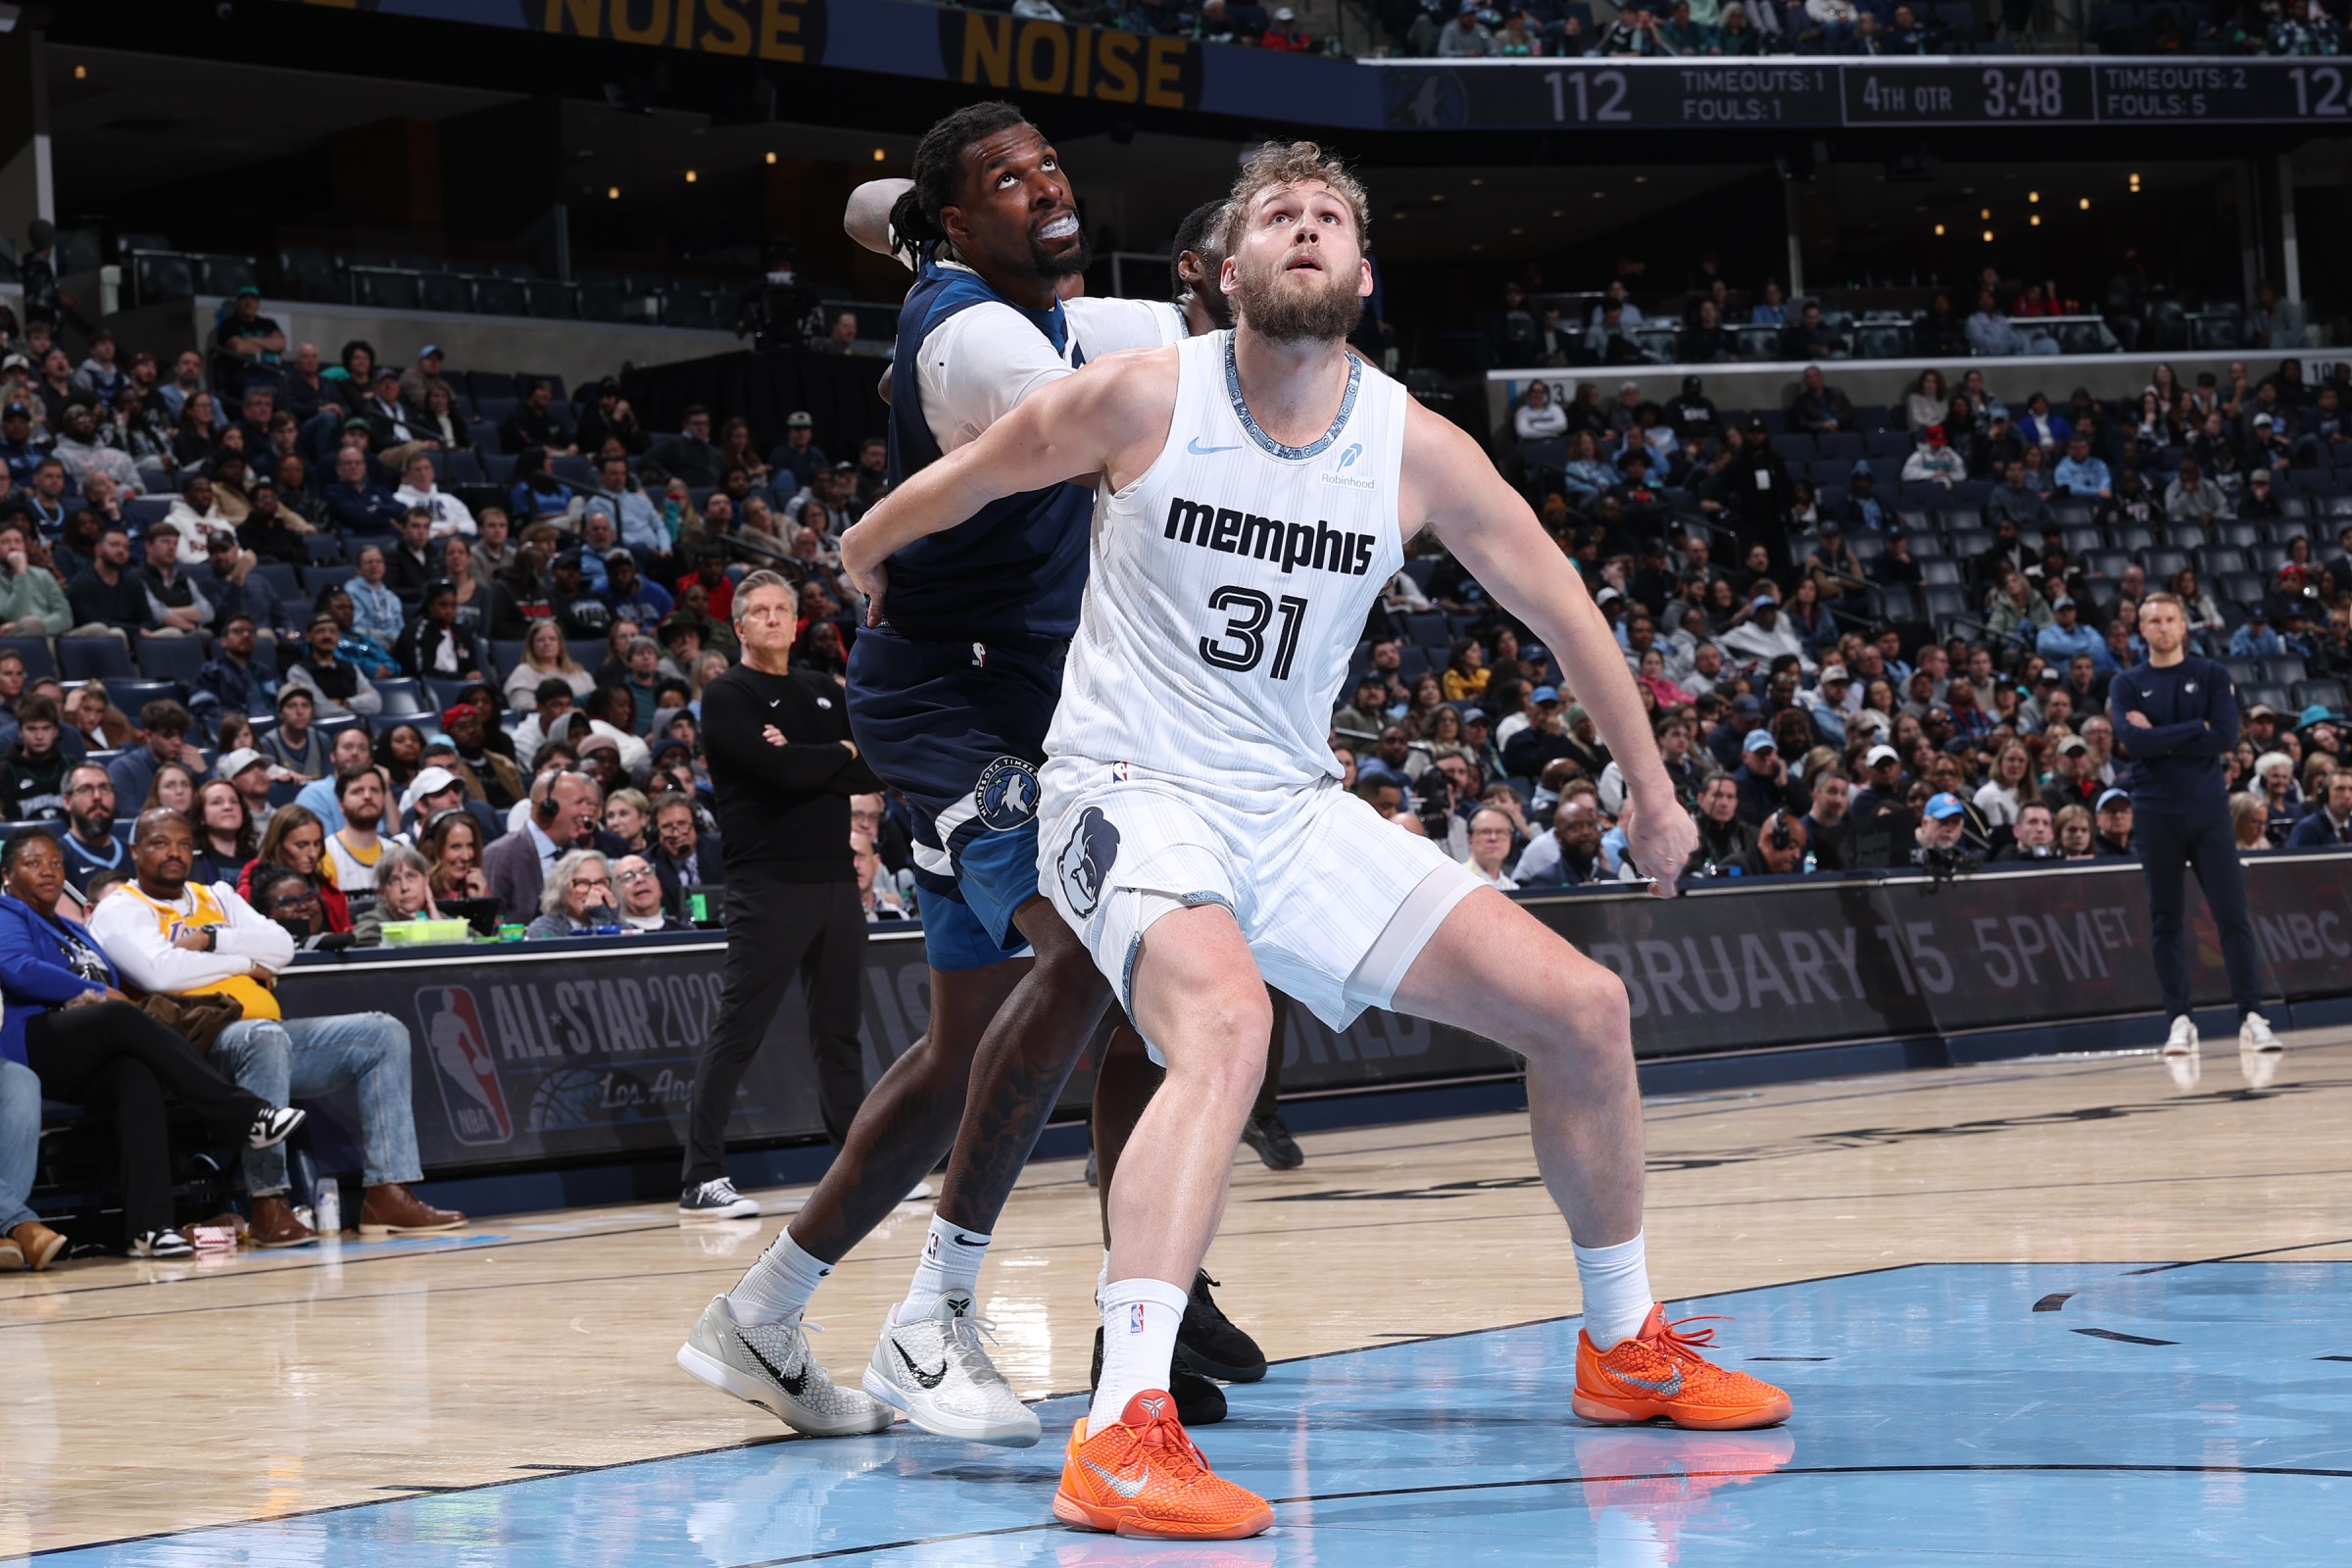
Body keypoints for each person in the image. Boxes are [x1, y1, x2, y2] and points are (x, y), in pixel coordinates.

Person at [837, 141, 1788, 1538]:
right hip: (1123, 787)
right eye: (1274, 214)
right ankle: (1122, 1428)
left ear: (1361, 271)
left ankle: (1622, 1344)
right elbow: (971, 478)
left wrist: (1648, 787)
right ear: (1225, 273)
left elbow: (1563, 608)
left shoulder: (1413, 444)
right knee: (1224, 1022)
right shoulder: (1145, 393)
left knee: (1585, 1010)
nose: (1303, 229)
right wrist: (863, 553)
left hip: (1284, 806)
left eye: (1328, 217)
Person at [89, 809, 466, 1247]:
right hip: (192, 1052)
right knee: (263, 1038)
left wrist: (214, 939)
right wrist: (246, 963)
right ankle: (269, 1203)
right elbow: (160, 973)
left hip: (266, 1039)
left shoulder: (218, 896)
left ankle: (388, 1192)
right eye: (158, 843)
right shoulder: (120, 908)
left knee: (381, 1034)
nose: (173, 852)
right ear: (135, 851)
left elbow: (282, 945)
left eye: (181, 843)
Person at [0, 829, 306, 1257]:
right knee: (119, 1014)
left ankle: (150, 1229)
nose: (48, 871)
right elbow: (17, 968)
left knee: (135, 1076)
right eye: (33, 864)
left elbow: (112, 977)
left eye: (54, 863)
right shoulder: (6, 911)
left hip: (83, 1043)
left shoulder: (72, 929)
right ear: (7, 875)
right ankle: (245, 1115)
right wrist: (98, 994)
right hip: (33, 1040)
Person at [677, 569, 878, 1194]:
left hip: (835, 882)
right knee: (741, 1029)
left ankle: (857, 1171)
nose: (773, 619)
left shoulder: (821, 685)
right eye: (759, 611)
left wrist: (819, 754)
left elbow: (870, 764)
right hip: (767, 884)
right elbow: (778, 772)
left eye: (782, 610)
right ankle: (701, 1175)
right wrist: (831, 755)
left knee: (840, 1033)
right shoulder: (728, 694)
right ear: (738, 626)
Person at [2111, 593, 2276, 1059]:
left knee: (2232, 915)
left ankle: (2251, 1016)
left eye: (2169, 619)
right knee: (2166, 920)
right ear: (2140, 629)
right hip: (2155, 811)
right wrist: (2190, 730)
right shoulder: (2126, 683)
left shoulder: (2210, 675)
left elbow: (2224, 737)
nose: (2162, 627)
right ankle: (2179, 1020)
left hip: (2208, 812)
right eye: (2152, 621)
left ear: (2184, 626)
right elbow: (2134, 744)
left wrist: (2159, 734)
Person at [525, 848, 622, 939]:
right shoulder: (544, 927)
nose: (592, 891)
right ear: (561, 889)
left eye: (600, 882)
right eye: (582, 883)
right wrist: (600, 917)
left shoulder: (616, 921)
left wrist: (613, 917)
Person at [2284, 768, 2352, 847]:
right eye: (2339, 789)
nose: (2347, 795)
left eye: (2351, 789)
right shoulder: (2307, 829)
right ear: (2325, 795)